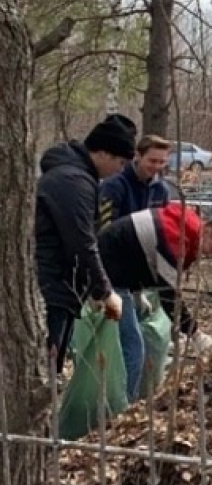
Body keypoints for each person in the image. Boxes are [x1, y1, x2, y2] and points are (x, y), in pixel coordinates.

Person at [35, 114, 137, 373]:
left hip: (61, 285)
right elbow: (81, 242)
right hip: (52, 285)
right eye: (120, 161)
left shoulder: (77, 177)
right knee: (46, 365)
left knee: (51, 363)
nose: (121, 169)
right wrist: (104, 291)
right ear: (103, 153)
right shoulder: (74, 183)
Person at [98, 204, 212, 367]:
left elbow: (143, 257)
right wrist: (195, 333)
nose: (210, 256)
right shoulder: (176, 239)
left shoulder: (187, 229)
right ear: (207, 231)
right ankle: (125, 393)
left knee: (125, 334)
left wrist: (137, 291)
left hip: (115, 269)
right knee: (133, 347)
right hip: (108, 275)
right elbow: (169, 296)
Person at [98, 134, 172, 400]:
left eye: (162, 162)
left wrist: (143, 286)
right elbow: (104, 235)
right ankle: (123, 406)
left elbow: (162, 235)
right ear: (137, 156)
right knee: (131, 345)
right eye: (152, 160)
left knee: (153, 339)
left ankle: (138, 396)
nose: (156, 166)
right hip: (112, 277)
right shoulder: (114, 186)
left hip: (139, 277)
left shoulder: (160, 191)